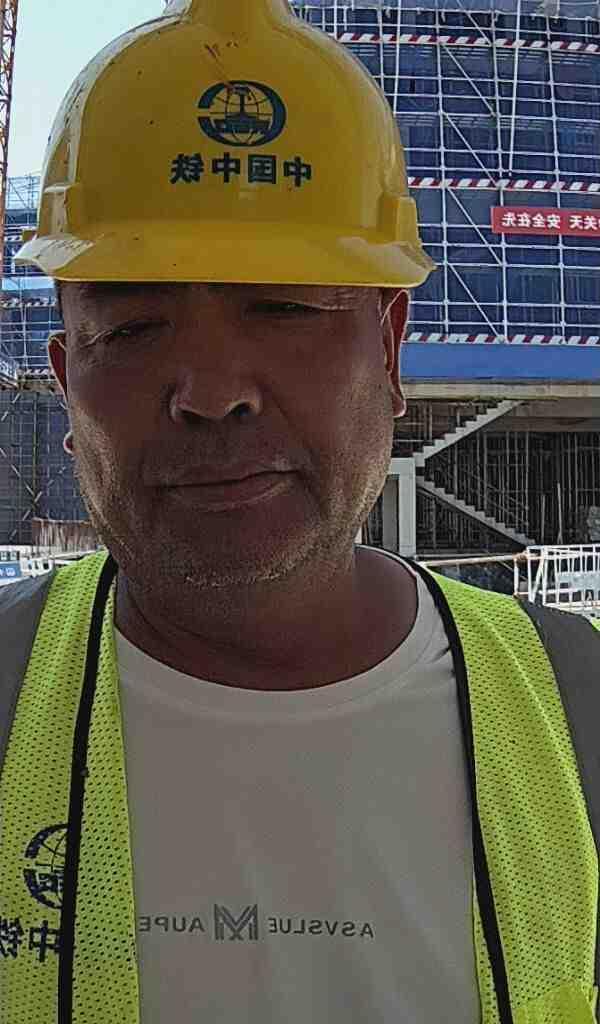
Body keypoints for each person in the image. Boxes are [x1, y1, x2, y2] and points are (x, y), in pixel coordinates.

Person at [2, 2, 600, 1022]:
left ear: (390, 350)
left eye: (283, 309)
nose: (210, 392)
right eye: (134, 329)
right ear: (66, 381)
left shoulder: (579, 714)